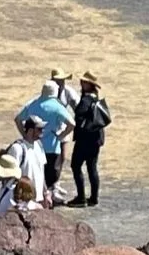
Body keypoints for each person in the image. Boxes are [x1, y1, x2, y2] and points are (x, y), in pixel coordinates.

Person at [20, 81, 75, 198]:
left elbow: (17, 119)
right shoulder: (57, 106)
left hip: (34, 146)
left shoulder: (33, 104)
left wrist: (24, 134)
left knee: (36, 177)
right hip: (52, 148)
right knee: (50, 180)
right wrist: (61, 136)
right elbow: (72, 123)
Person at [69, 72, 113, 207]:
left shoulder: (85, 100)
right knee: (92, 168)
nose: (81, 83)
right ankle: (94, 198)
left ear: (89, 84)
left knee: (75, 165)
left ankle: (81, 198)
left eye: (84, 82)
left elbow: (79, 118)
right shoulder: (96, 99)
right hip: (96, 139)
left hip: (84, 140)